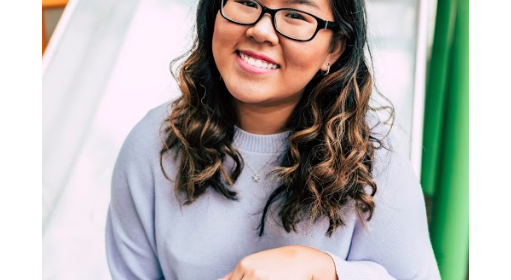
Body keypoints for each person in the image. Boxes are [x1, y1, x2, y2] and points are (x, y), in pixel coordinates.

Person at [105, 0, 441, 279]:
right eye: (247, 2)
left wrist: (323, 270)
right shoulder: (153, 144)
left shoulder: (375, 161)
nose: (261, 30)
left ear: (334, 49)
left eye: (296, 15)